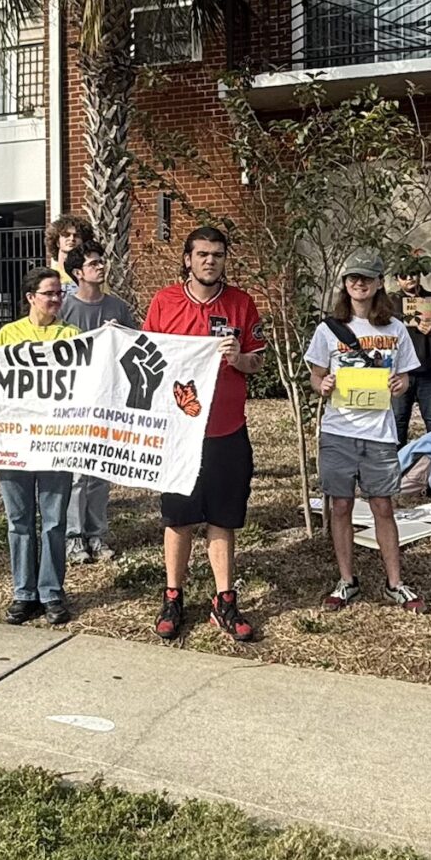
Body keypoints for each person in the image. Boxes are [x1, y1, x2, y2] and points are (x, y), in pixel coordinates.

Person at [143, 226, 266, 643]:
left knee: (222, 518)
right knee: (178, 517)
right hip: (179, 432)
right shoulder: (164, 302)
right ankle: (173, 596)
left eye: (217, 254)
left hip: (227, 429)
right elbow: (148, 359)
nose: (210, 260)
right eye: (201, 254)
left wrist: (239, 358)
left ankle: (223, 600)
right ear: (187, 259)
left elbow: (257, 363)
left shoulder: (241, 304)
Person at [307, 250, 429, 614]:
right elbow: (315, 375)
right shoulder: (328, 329)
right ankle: (347, 580)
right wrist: (323, 383)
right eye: (351, 279)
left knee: (382, 505)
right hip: (338, 430)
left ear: (379, 283)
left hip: (379, 432)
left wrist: (399, 384)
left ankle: (395, 583)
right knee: (341, 505)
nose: (357, 284)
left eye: (365, 278)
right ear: (345, 285)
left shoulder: (395, 330)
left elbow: (406, 377)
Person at [0, 268, 80, 625]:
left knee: (54, 520)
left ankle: (52, 592)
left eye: (59, 293)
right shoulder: (7, 335)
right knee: (19, 520)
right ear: (31, 297)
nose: (56, 299)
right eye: (49, 293)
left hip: (56, 441)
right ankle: (23, 593)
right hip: (14, 441)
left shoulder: (72, 335)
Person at [57, 240, 137, 565]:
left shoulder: (118, 308)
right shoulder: (64, 309)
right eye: (93, 263)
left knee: (100, 471)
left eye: (101, 262)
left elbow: (137, 345)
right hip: (74, 402)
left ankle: (97, 535)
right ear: (78, 272)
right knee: (77, 474)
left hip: (108, 400)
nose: (101, 267)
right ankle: (74, 539)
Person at [392, 267, 431, 441]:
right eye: (404, 274)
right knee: (398, 420)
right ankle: (398, 464)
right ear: (397, 279)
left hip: (429, 370)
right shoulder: (389, 302)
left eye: (414, 273)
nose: (410, 277)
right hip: (400, 372)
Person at [44, 214, 94, 294]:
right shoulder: (48, 277)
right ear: (57, 242)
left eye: (77, 235)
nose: (72, 239)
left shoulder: (93, 274)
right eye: (66, 235)